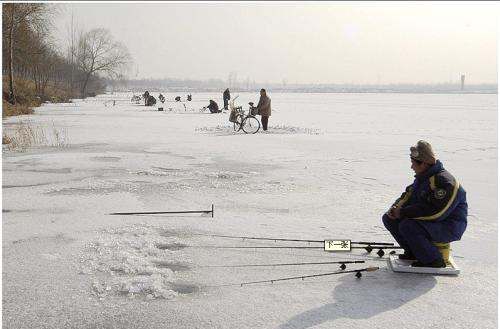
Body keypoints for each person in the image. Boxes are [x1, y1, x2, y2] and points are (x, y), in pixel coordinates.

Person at [382, 141, 468, 268]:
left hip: (448, 226)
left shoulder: (445, 182)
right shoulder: (423, 178)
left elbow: (437, 213)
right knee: (389, 219)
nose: (412, 167)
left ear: (423, 164)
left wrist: (403, 213)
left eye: (413, 163)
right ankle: (414, 252)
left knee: (408, 225)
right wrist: (395, 209)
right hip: (432, 223)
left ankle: (433, 260)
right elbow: (407, 196)